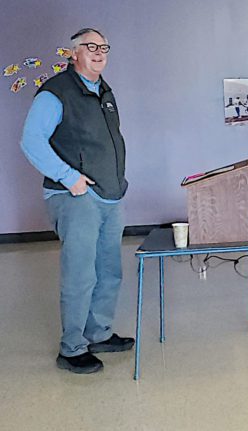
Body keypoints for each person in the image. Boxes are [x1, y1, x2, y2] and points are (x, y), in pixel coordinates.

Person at [19, 28, 134, 374]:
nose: (99, 53)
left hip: (110, 195)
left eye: (104, 47)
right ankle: (72, 348)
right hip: (75, 196)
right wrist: (70, 178)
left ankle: (97, 333)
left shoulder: (105, 92)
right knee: (81, 274)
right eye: (91, 47)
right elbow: (31, 141)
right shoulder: (56, 93)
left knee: (109, 271)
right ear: (74, 54)